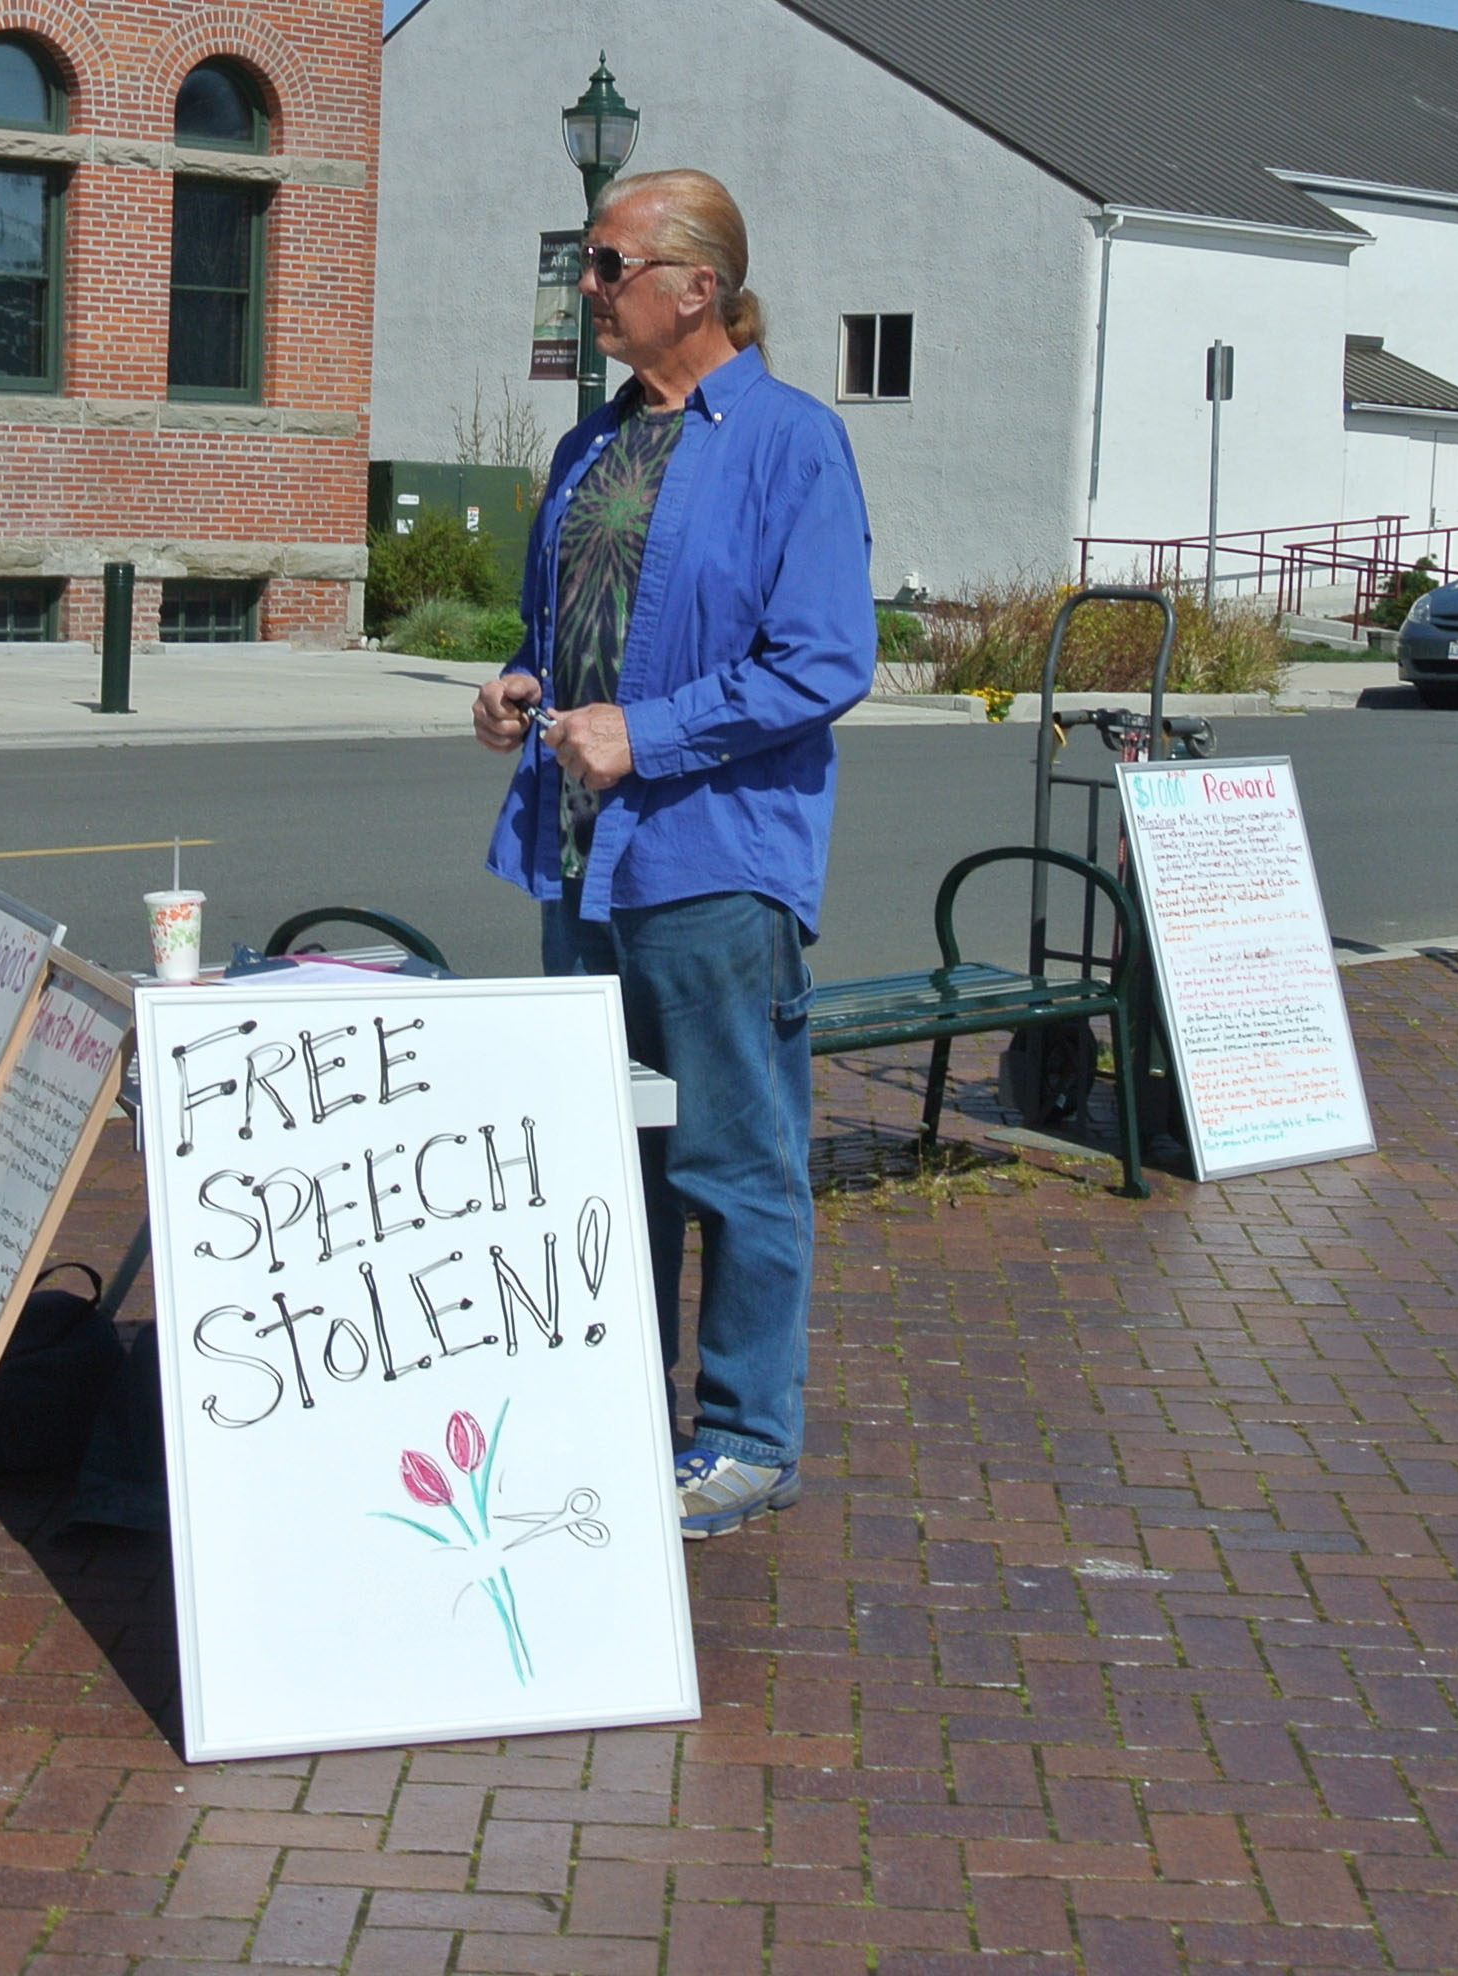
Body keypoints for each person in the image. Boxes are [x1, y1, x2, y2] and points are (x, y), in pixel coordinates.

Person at [471, 168, 875, 1539]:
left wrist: (646, 736)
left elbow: (823, 660)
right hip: (579, 859)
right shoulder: (591, 444)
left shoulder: (790, 442)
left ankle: (750, 1435)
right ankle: (620, 1407)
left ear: (697, 287)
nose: (584, 287)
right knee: (608, 1155)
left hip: (712, 863)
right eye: (583, 264)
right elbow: (568, 626)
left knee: (731, 1159)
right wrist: (517, 685)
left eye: (607, 265)